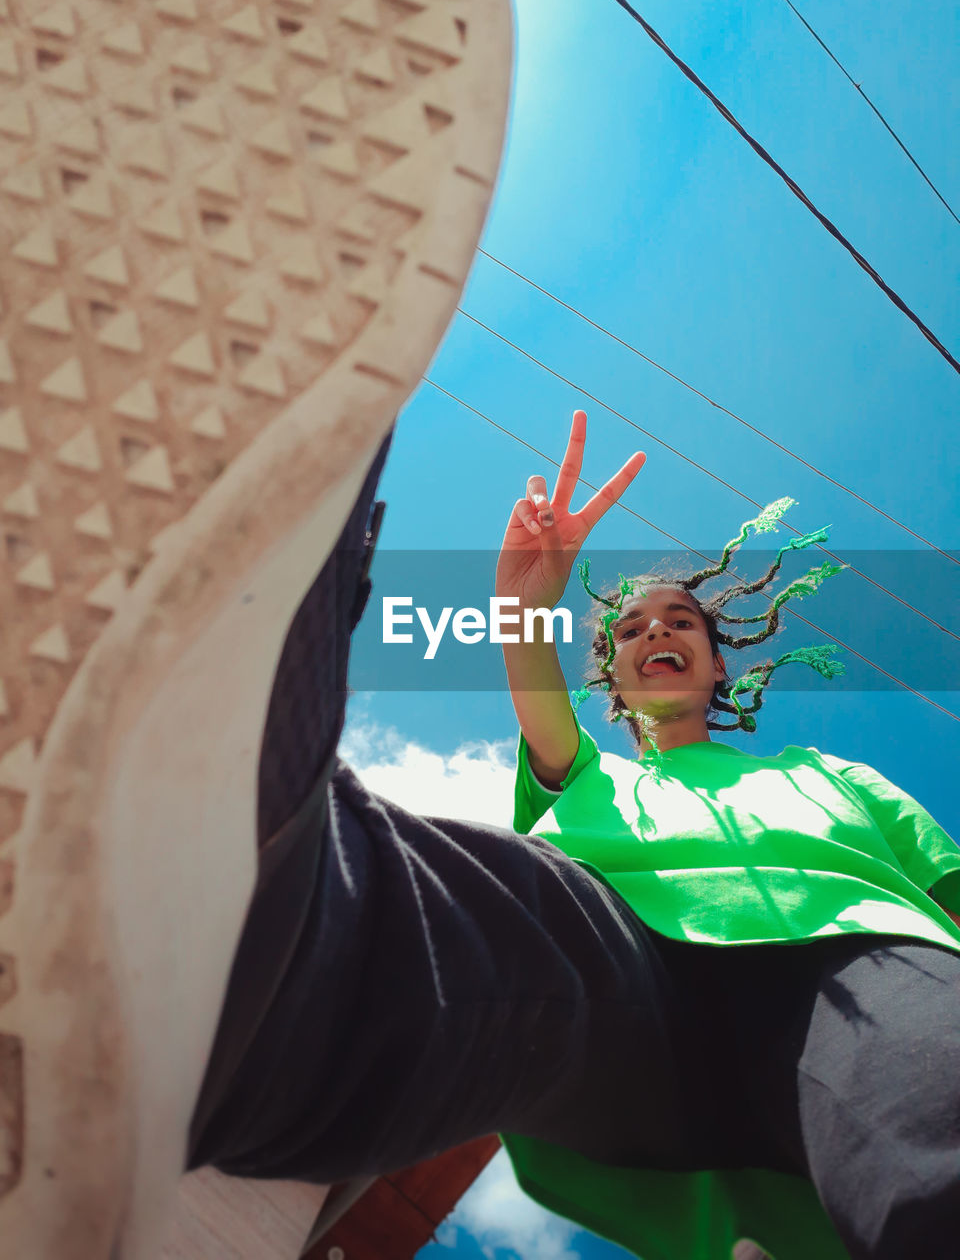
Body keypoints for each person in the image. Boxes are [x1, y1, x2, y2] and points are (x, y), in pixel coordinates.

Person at [185, 408, 960, 1260]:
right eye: (631, 629)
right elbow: (536, 692)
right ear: (616, 682)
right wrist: (523, 606)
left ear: (716, 663)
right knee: (476, 897)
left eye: (680, 622)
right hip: (626, 979)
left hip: (861, 959)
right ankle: (182, 1008)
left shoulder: (833, 774)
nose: (657, 630)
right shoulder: (585, 772)